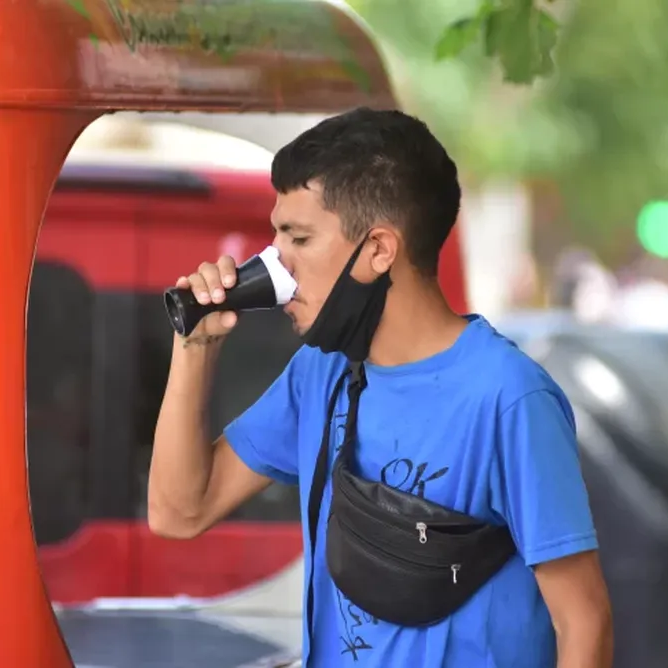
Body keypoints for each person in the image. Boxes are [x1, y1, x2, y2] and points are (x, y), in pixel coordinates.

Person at [148, 107, 613, 667]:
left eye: (298, 238)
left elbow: (584, 621)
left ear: (378, 250)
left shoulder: (508, 397)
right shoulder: (320, 372)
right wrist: (194, 346)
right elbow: (179, 513)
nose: (277, 263)